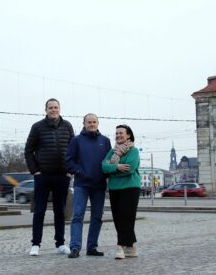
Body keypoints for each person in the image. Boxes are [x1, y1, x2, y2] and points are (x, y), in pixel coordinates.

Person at [24, 98, 75, 256]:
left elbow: (74, 150)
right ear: (45, 110)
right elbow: (28, 150)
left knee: (60, 211)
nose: (53, 110)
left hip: (62, 175)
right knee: (39, 210)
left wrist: (69, 171)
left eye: (56, 107)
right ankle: (36, 244)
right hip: (43, 175)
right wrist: (35, 171)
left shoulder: (67, 126)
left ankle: (60, 244)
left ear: (60, 109)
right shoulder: (37, 127)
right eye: (50, 107)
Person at [66, 113, 112, 258]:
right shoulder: (76, 140)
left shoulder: (105, 141)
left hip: (99, 185)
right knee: (78, 215)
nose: (91, 124)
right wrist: (79, 171)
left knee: (97, 216)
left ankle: (92, 247)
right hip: (81, 184)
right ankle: (75, 247)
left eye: (94, 122)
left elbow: (109, 161)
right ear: (84, 123)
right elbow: (68, 160)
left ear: (98, 123)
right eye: (89, 122)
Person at [101, 124, 141, 259]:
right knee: (118, 218)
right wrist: (117, 166)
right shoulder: (112, 152)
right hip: (114, 188)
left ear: (128, 135)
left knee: (126, 218)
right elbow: (103, 166)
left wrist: (112, 170)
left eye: (121, 133)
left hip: (130, 188)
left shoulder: (134, 151)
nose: (118, 135)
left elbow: (129, 169)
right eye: (116, 133)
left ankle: (120, 247)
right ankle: (131, 247)